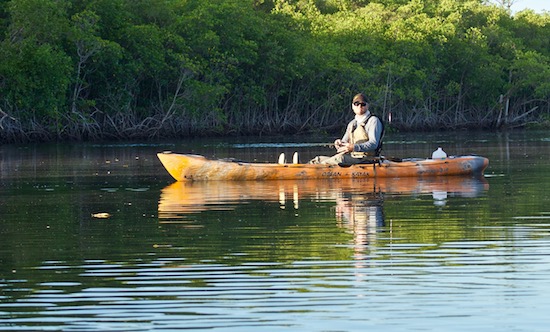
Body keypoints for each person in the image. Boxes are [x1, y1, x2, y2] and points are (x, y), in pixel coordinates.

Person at [309, 93, 384, 165]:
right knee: (318, 159)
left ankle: (315, 171)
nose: (360, 106)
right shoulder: (352, 123)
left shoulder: (373, 121)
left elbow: (374, 144)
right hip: (353, 157)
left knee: (340, 158)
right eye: (356, 104)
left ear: (367, 106)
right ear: (352, 106)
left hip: (367, 158)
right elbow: (344, 142)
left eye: (363, 104)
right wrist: (339, 143)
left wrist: (354, 147)